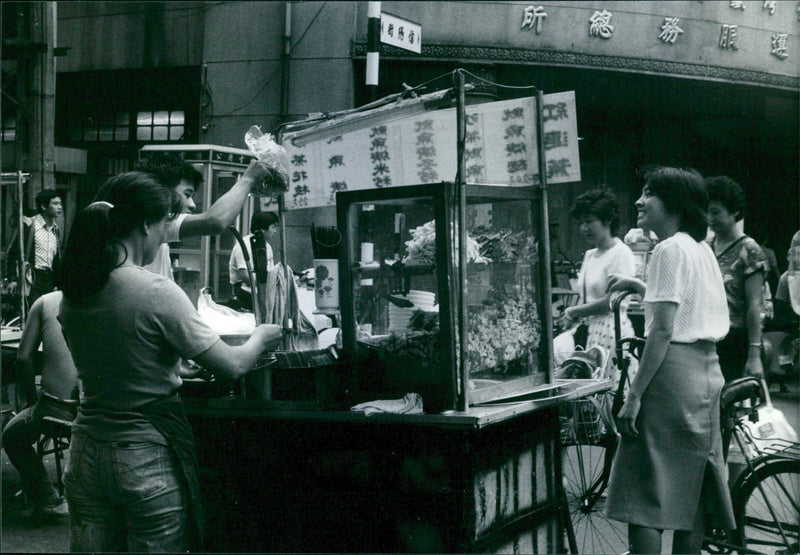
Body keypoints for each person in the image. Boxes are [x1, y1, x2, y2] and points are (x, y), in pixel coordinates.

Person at [58, 172, 283, 552]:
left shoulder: (75, 290)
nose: (166, 233)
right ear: (145, 224)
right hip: (142, 458)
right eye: (165, 223)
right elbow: (232, 366)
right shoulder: (156, 290)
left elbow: (115, 357)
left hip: (83, 453)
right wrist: (261, 336)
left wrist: (170, 365)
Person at [604, 166, 734, 554]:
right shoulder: (701, 249)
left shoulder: (666, 249)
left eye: (649, 194)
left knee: (648, 492)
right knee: (690, 488)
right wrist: (639, 286)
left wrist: (633, 397)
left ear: (673, 203)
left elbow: (661, 330)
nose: (640, 201)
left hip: (671, 375)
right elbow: (688, 307)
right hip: (707, 373)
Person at [132, 152, 280, 280]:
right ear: (160, 191)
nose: (192, 204)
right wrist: (248, 179)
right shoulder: (153, 222)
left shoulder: (158, 236)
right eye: (187, 194)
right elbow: (215, 221)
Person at [2, 290, 79, 522]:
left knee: (12, 436)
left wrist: (33, 402)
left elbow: (23, 359)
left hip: (58, 409)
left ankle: (49, 500)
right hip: (98, 408)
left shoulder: (46, 302)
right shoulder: (106, 297)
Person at [561, 189, 638, 387]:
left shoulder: (621, 254)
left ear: (607, 220)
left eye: (589, 221)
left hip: (612, 330)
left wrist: (573, 311)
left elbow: (612, 301)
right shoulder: (589, 254)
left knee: (610, 388)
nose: (584, 228)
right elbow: (586, 295)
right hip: (588, 330)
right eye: (581, 223)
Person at [706, 176, 767, 383]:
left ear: (734, 212)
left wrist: (754, 355)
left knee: (730, 405)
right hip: (707, 338)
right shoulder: (707, 246)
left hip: (734, 341)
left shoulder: (749, 250)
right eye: (707, 212)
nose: (709, 218)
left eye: (716, 212)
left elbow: (754, 306)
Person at [228, 211, 279, 310]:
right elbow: (244, 275)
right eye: (273, 227)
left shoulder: (267, 246)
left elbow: (271, 272)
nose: (275, 231)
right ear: (262, 229)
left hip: (262, 290)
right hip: (245, 292)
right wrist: (267, 285)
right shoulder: (244, 245)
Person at [21, 190, 63, 307]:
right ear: (44, 206)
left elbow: (56, 257)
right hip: (33, 278)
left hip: (49, 278)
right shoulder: (30, 225)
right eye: (55, 204)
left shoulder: (56, 229)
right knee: (33, 311)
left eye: (60, 204)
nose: (59, 207)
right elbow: (16, 252)